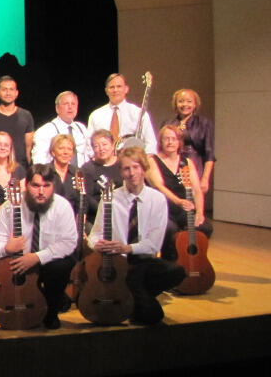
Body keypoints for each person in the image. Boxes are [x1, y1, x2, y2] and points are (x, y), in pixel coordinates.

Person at [87, 147, 185, 325]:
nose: (131, 173)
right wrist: (97, 245)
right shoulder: (110, 198)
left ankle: (132, 294)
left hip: (142, 262)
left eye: (135, 167)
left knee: (177, 271)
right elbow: (94, 236)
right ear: (121, 172)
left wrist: (127, 248)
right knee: (152, 316)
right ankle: (135, 297)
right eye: (126, 168)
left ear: (143, 168)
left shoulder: (157, 199)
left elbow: (154, 244)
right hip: (117, 263)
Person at [0, 164, 78, 329]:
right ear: (27, 184)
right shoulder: (10, 207)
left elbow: (69, 242)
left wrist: (37, 257)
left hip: (47, 262)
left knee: (61, 266)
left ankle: (51, 313)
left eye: (46, 186)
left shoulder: (62, 206)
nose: (41, 192)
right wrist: (7, 248)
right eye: (35, 186)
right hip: (18, 265)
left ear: (53, 186)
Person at [145, 125, 213, 261]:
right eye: (166, 139)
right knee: (170, 229)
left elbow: (197, 190)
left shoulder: (186, 162)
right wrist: (178, 201)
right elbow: (159, 186)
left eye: (173, 139)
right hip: (165, 209)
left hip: (184, 209)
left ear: (179, 142)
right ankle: (168, 261)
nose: (170, 142)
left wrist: (199, 213)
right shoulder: (152, 160)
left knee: (205, 227)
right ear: (161, 142)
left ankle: (190, 261)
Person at [160, 88, 215, 196]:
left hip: (194, 166)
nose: (185, 104)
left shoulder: (204, 123)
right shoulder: (168, 123)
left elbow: (209, 153)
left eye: (189, 101)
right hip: (170, 165)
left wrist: (205, 179)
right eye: (181, 101)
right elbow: (161, 148)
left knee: (191, 202)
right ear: (176, 104)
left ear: (195, 104)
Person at [87, 73, 158, 155]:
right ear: (106, 91)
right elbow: (89, 144)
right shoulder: (95, 116)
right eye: (111, 87)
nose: (115, 90)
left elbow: (151, 143)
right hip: (103, 164)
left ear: (126, 89)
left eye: (119, 86)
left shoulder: (139, 113)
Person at [0, 75, 35, 168]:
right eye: (4, 90)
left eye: (11, 89)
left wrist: (31, 170)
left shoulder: (26, 115)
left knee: (14, 183)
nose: (8, 93)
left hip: (19, 170)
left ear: (16, 93)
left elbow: (29, 148)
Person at [32, 91, 92, 166]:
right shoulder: (45, 131)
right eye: (66, 104)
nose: (70, 107)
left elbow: (90, 154)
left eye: (73, 104)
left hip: (81, 175)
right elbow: (39, 162)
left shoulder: (81, 128)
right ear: (57, 108)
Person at [79, 129, 123, 222]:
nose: (101, 149)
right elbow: (87, 198)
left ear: (112, 145)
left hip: (122, 213)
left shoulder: (123, 164)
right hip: (98, 216)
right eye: (96, 146)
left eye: (104, 144)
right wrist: (105, 211)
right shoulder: (87, 169)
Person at [48, 134, 80, 214]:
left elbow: (82, 202)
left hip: (72, 217)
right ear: (53, 152)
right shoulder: (45, 172)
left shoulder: (77, 173)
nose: (65, 152)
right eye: (61, 148)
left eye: (69, 149)